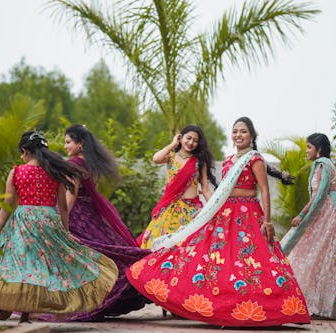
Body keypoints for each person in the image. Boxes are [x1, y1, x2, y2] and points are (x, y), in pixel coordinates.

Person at [126, 117, 310, 327]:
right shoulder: (229, 160)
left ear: (252, 135)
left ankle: (273, 308)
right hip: (225, 214)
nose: (238, 135)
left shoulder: (254, 158)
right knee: (217, 260)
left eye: (243, 132)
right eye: (235, 131)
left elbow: (264, 190)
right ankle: (222, 309)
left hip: (248, 214)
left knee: (254, 261)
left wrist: (267, 221)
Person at [0, 131, 118, 323]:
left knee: (17, 264)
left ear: (25, 151)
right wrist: (66, 232)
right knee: (39, 269)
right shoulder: (55, 173)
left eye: (21, 153)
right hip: (48, 221)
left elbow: (7, 205)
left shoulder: (16, 172)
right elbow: (63, 207)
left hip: (23, 222)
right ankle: (25, 313)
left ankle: (9, 302)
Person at [58, 124, 150, 321]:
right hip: (91, 214)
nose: (65, 146)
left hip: (75, 214)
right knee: (103, 254)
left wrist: (59, 220)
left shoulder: (73, 164)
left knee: (78, 259)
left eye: (68, 142)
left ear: (80, 143)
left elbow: (70, 196)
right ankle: (101, 297)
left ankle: (80, 302)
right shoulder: (93, 164)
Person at [280, 133, 336, 320]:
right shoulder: (324, 164)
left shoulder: (322, 165)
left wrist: (302, 215)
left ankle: (314, 303)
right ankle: (317, 303)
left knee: (316, 254)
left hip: (327, 212)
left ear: (318, 149)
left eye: (309, 148)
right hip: (329, 210)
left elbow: (319, 195)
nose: (306, 152)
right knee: (321, 258)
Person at [136, 125, 217, 249]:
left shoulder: (199, 161)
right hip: (169, 210)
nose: (191, 143)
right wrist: (173, 144)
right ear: (181, 138)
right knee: (163, 247)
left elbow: (205, 188)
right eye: (188, 138)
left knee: (188, 247)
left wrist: (215, 207)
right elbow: (156, 158)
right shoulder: (171, 157)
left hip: (191, 211)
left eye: (195, 141)